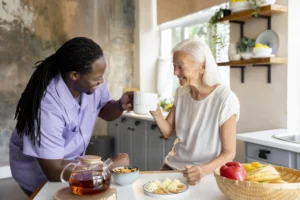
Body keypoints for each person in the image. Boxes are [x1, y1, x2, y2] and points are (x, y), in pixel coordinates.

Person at [9, 37, 133, 196]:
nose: (101, 82)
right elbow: (54, 171)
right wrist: (107, 166)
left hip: (72, 167)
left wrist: (120, 105)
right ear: (74, 75)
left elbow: (103, 109)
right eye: (97, 78)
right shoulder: (47, 105)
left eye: (102, 76)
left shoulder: (93, 81)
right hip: (40, 173)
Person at [150, 38, 240, 185]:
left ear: (202, 66)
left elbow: (229, 152)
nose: (175, 72)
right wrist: (156, 113)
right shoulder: (181, 93)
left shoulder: (225, 98)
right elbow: (167, 132)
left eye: (180, 66)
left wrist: (202, 170)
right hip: (172, 167)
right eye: (174, 66)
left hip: (205, 174)